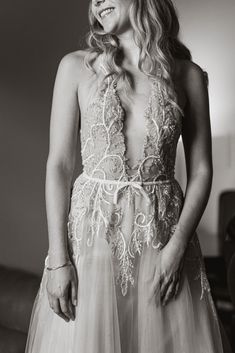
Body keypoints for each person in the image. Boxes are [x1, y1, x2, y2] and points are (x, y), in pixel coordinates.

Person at [25, 0, 230, 352]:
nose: (97, 2)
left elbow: (201, 170)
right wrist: (58, 259)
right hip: (92, 248)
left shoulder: (188, 75)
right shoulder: (75, 67)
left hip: (164, 248)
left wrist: (178, 246)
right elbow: (58, 165)